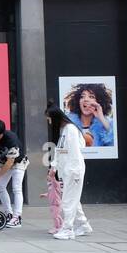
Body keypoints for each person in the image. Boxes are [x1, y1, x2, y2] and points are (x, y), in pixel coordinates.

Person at [48, 102, 92, 239]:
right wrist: (54, 167)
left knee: (68, 200)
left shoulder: (71, 129)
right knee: (73, 199)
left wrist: (70, 171)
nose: (49, 122)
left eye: (49, 118)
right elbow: (61, 150)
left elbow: (73, 152)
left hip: (73, 170)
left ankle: (68, 229)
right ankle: (84, 225)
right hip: (69, 170)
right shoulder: (66, 130)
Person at [0, 119, 28, 228]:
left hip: (18, 162)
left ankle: (17, 217)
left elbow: (10, 162)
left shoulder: (11, 138)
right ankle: (8, 214)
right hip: (3, 161)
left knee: (16, 188)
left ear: (3, 133)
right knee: (0, 187)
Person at [63, 83, 114, 149]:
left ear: (99, 102)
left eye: (91, 97)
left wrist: (101, 118)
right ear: (78, 101)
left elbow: (113, 145)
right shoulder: (68, 122)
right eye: (82, 97)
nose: (86, 99)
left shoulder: (107, 124)